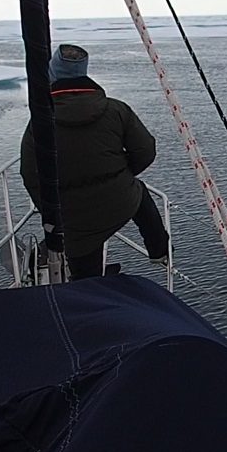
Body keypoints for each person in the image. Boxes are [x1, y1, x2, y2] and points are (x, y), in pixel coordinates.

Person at [20, 44, 170, 280]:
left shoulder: (40, 123)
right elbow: (146, 150)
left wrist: (50, 210)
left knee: (84, 266)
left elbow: (30, 174)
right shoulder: (116, 110)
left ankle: (90, 288)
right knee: (139, 193)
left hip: (71, 216)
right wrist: (122, 173)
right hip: (118, 199)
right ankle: (159, 251)